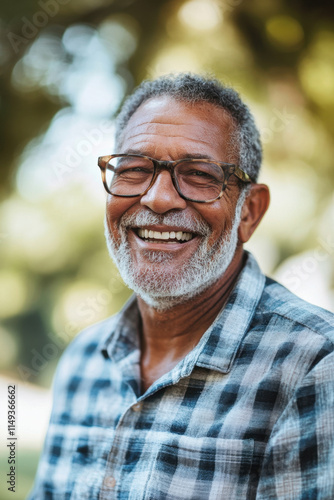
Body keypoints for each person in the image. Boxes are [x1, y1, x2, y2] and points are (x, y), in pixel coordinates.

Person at [28, 74, 334, 500]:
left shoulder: (315, 366)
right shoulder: (83, 361)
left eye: (199, 174)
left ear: (249, 212)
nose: (158, 198)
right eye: (134, 169)